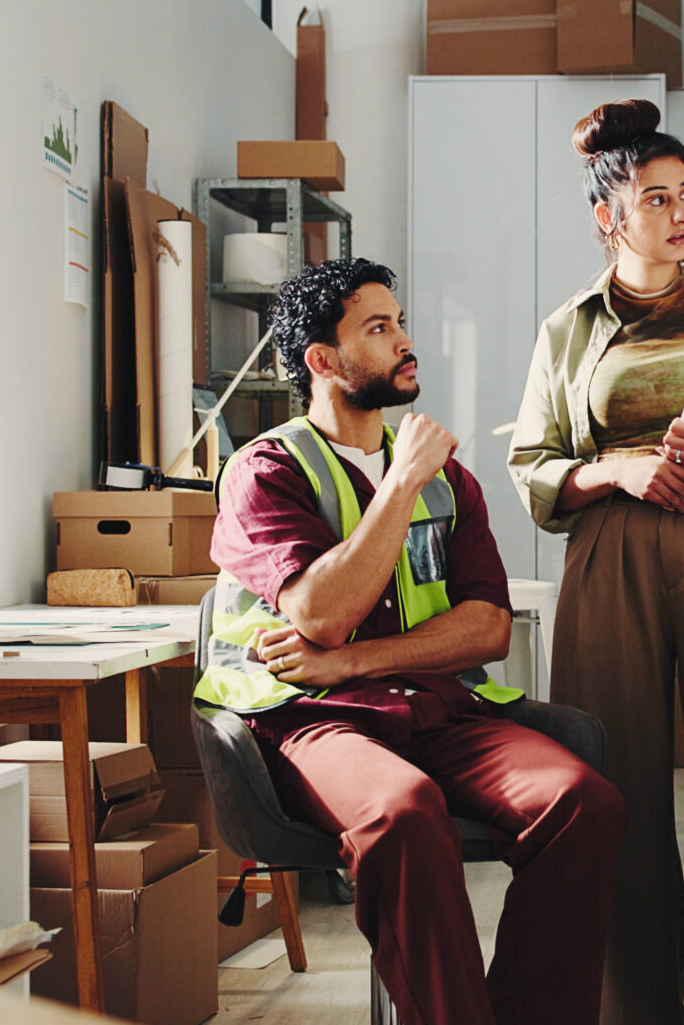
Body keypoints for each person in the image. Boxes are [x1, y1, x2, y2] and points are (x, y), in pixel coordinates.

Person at [199, 258, 625, 1025]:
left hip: (437, 709)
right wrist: (396, 484)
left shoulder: (447, 479)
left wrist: (359, 657)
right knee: (403, 811)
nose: (405, 340)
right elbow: (320, 614)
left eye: (400, 322)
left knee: (582, 802)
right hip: (313, 718)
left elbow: (487, 625)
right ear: (322, 362)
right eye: (379, 327)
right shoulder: (265, 470)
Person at [507, 98, 684, 1025]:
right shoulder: (567, 329)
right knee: (614, 791)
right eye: (656, 198)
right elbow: (531, 467)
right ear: (609, 217)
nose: (681, 216)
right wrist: (616, 467)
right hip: (611, 556)